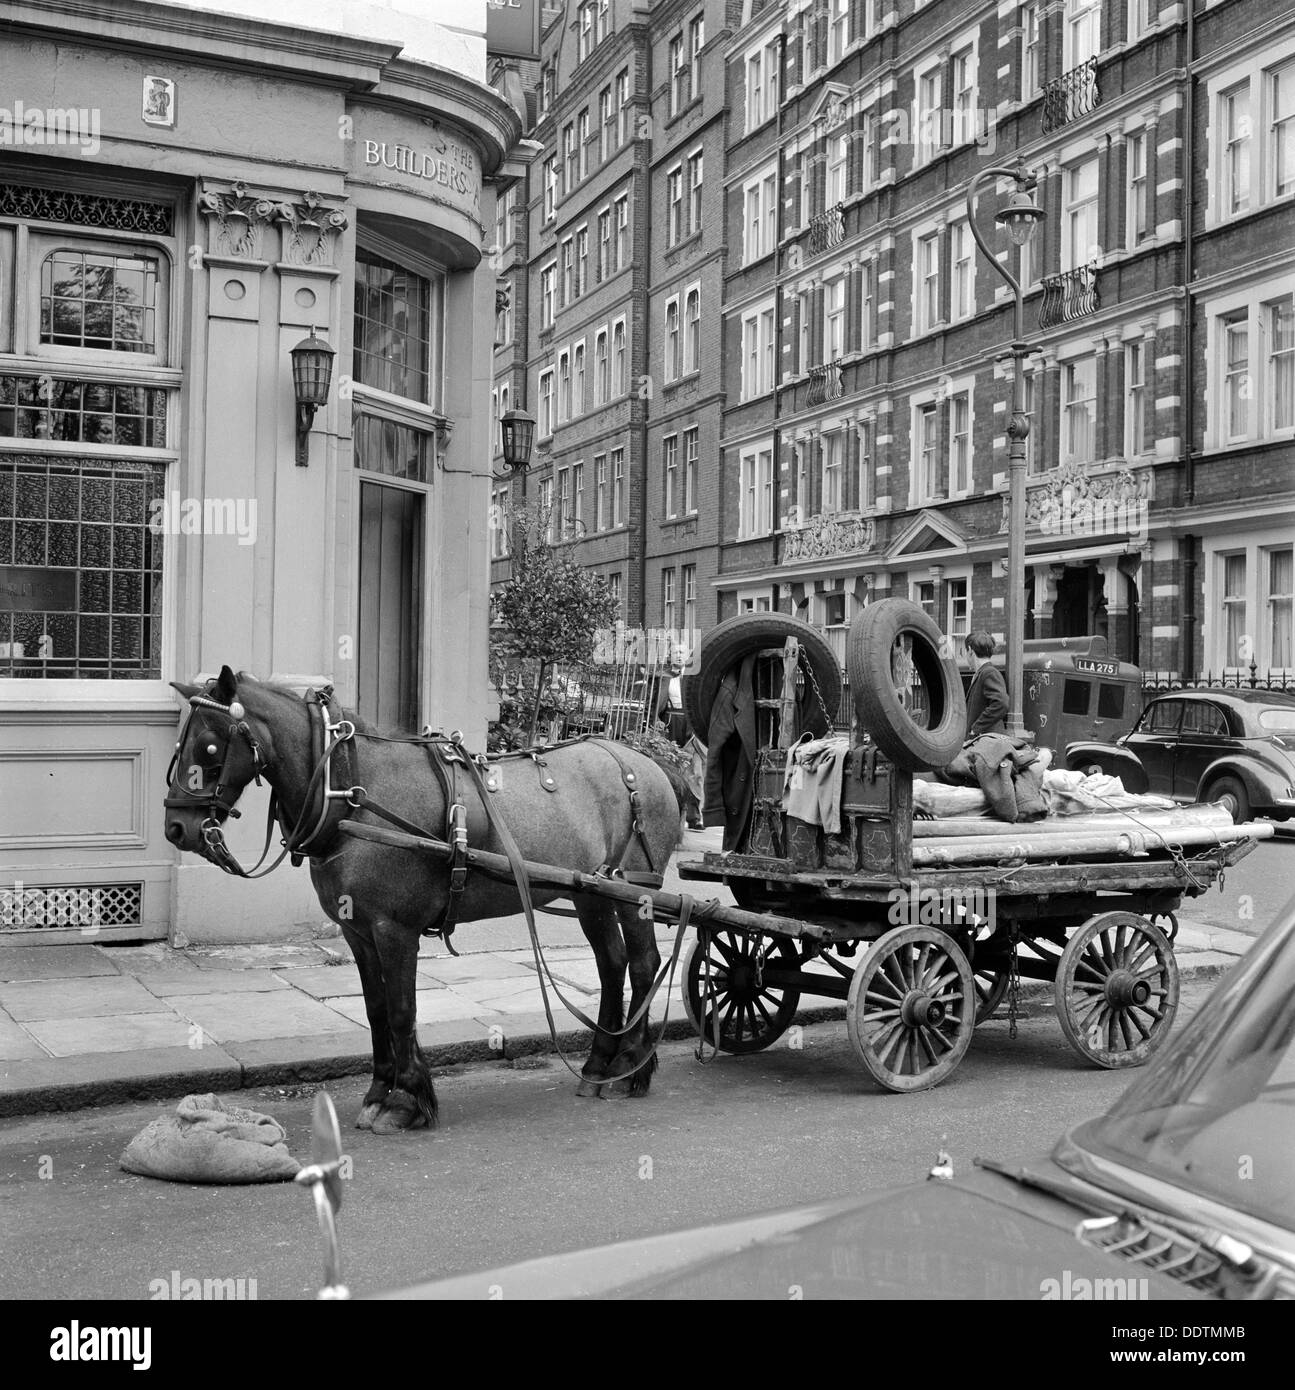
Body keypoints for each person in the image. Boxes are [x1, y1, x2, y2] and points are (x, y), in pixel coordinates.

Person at [963, 630, 1008, 740]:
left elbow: (1001, 703)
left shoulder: (989, 673)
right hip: (982, 741)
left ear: (970, 650)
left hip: (986, 743)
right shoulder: (983, 673)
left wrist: (976, 728)